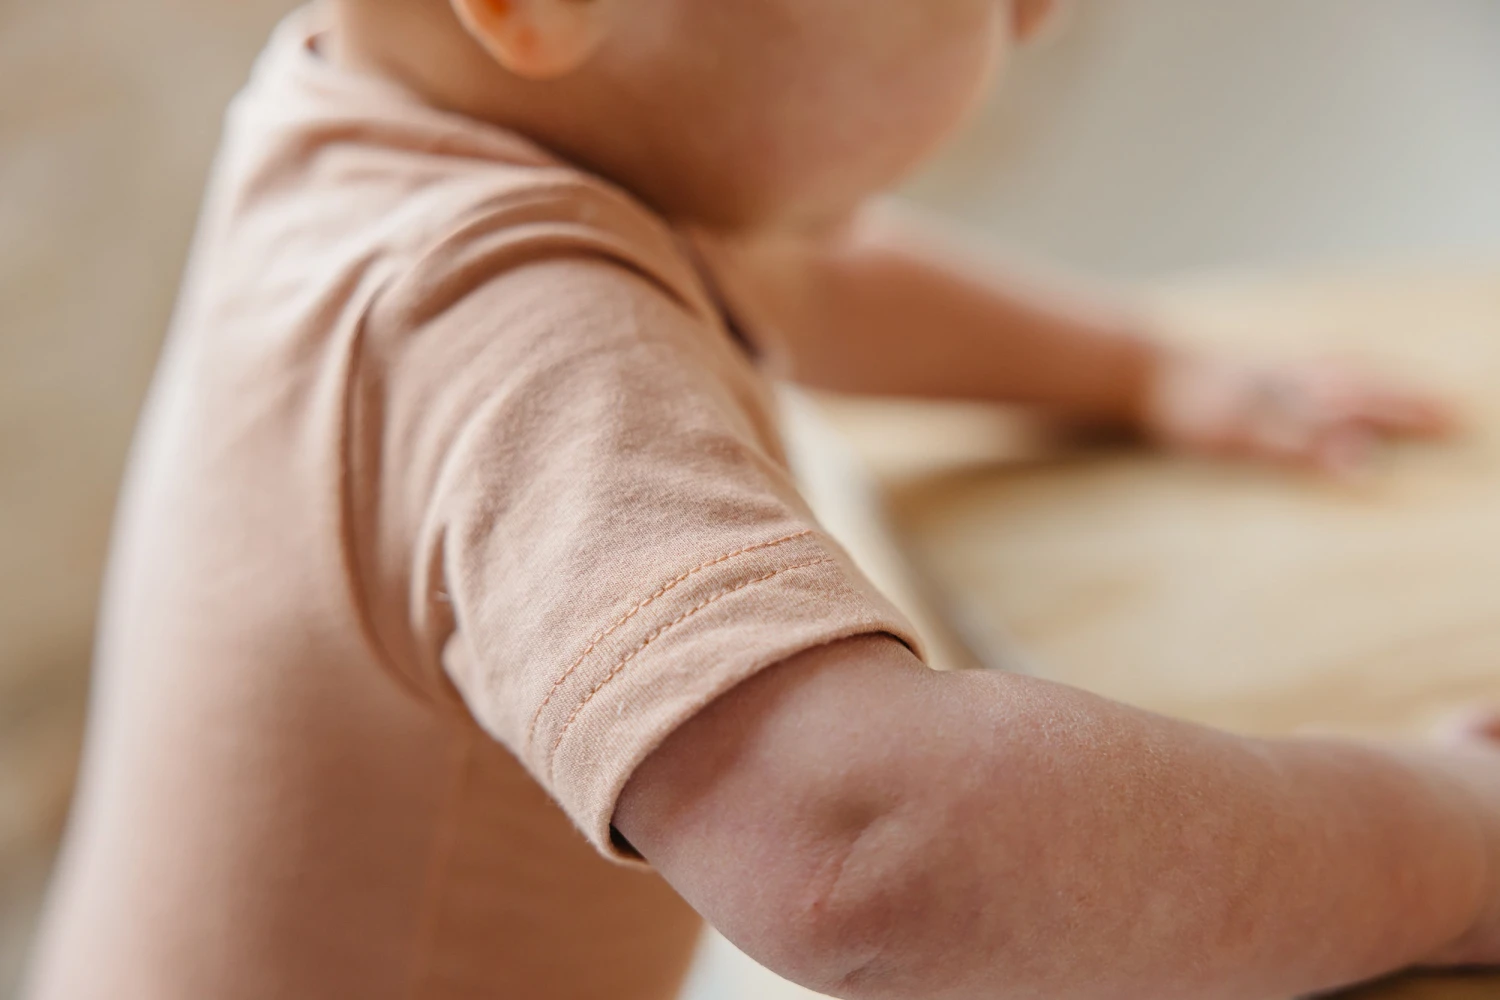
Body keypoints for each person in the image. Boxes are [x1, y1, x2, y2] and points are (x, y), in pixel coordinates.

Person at [24, 2, 1495, 998]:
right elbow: (864, 844)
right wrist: (1439, 835)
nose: (1041, 11)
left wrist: (1139, 369)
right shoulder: (499, 338)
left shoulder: (395, 122)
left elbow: (790, 271)